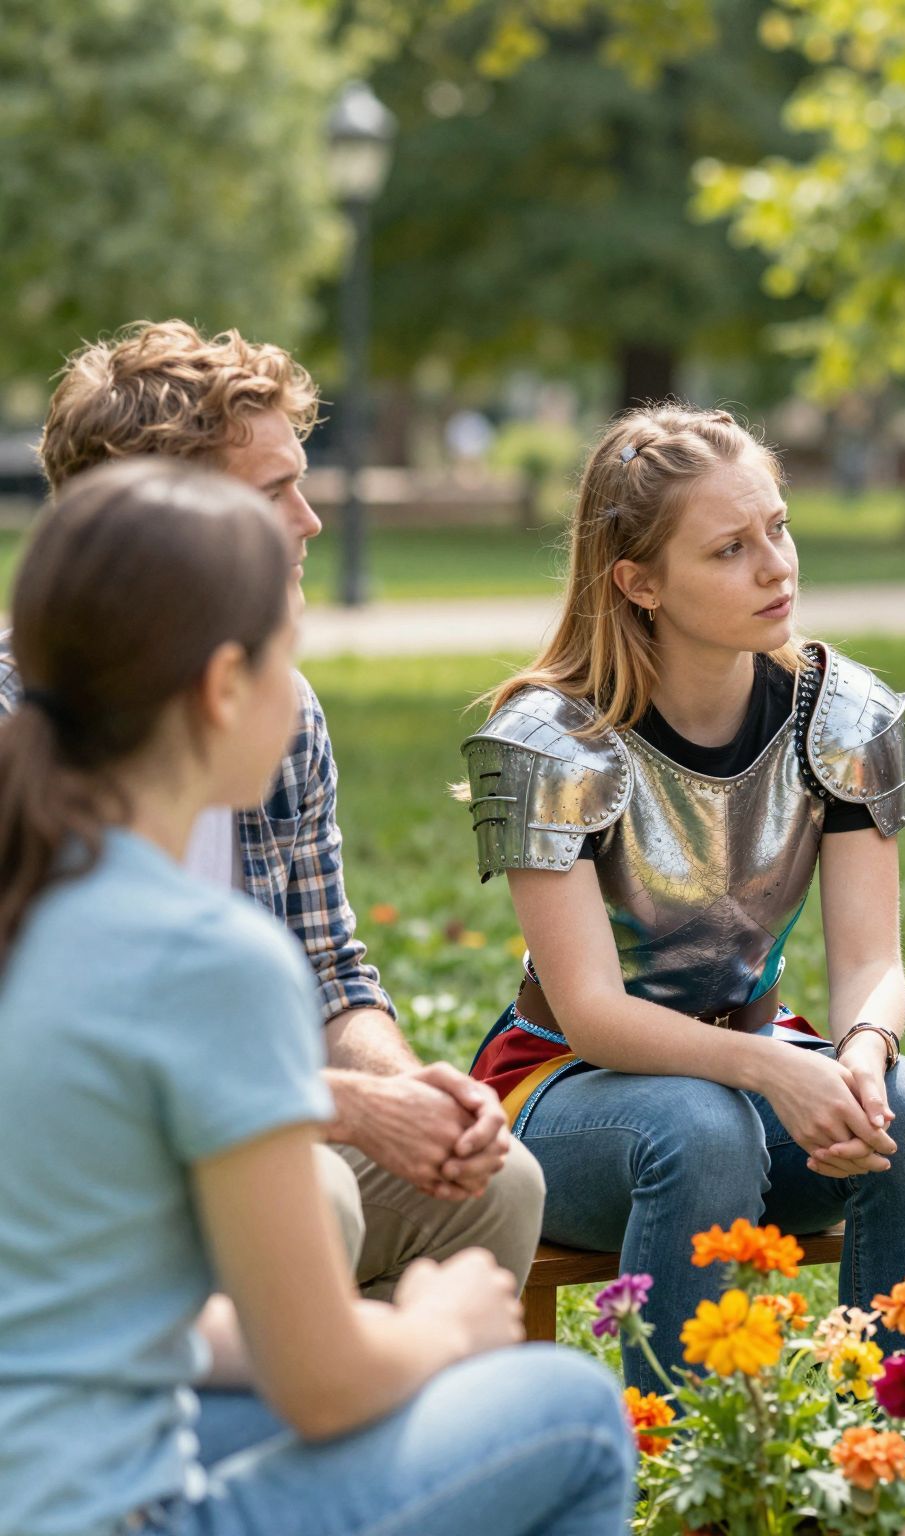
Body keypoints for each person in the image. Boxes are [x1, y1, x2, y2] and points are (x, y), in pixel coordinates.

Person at [0, 461, 633, 1536]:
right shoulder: (206, 957)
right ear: (222, 687)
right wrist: (438, 1329)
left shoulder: (34, 898)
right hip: (115, 1511)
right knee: (568, 1412)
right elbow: (324, 1384)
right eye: (289, 651)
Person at [0, 321, 546, 1315]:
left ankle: (393, 1453)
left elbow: (327, 967)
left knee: (495, 1184)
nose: (310, 520)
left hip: (264, 1120)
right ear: (168, 526)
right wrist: (351, 1111)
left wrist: (405, 1087)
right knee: (317, 1192)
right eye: (270, 496)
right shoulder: (18, 728)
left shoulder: (273, 711)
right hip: (83, 1173)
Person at [462, 404, 905, 1393]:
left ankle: (888, 1448)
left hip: (748, 1074)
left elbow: (873, 965)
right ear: (638, 583)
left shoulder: (843, 714)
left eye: (777, 528)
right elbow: (595, 1018)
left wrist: (861, 1055)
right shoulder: (550, 742)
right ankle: (691, 1475)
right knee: (700, 1128)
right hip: (564, 1100)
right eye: (730, 549)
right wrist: (777, 1073)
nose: (775, 566)